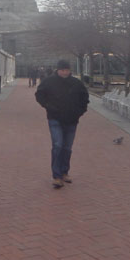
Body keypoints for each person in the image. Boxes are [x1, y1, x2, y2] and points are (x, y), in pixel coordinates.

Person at [35, 59, 89, 189]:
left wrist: (80, 112)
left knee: (67, 147)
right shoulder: (49, 82)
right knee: (58, 145)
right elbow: (39, 95)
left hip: (72, 119)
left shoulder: (77, 83)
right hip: (55, 118)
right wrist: (48, 106)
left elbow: (84, 99)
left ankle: (65, 172)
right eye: (62, 70)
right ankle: (57, 176)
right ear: (58, 70)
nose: (65, 72)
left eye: (67, 70)